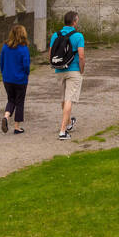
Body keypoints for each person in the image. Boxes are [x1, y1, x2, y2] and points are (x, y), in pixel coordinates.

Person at [49, 10, 85, 140]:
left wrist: (54, 66)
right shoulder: (78, 36)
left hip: (59, 69)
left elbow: (51, 54)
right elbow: (81, 56)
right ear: (74, 22)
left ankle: (69, 123)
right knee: (69, 99)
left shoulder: (55, 35)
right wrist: (82, 70)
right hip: (73, 69)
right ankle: (62, 131)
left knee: (63, 99)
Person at [0, 23, 30, 135]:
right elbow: (26, 65)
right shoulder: (23, 48)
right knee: (19, 102)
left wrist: (4, 73)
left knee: (11, 99)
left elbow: (1, 62)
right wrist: (26, 74)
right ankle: (17, 127)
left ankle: (6, 117)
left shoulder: (5, 47)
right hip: (20, 79)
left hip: (7, 78)